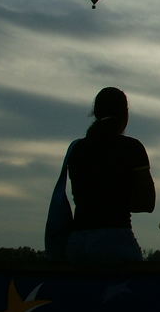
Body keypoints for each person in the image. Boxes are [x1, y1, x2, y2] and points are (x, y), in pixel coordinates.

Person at [66, 87, 155, 262]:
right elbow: (147, 203)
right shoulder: (132, 148)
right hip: (114, 240)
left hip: (77, 242)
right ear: (125, 114)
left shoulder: (76, 149)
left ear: (95, 113)